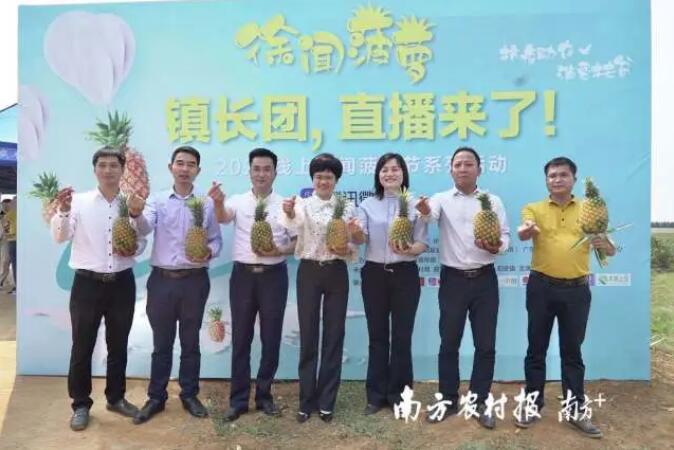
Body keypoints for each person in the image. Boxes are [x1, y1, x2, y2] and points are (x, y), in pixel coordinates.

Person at [515, 157, 614, 438]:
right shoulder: (533, 208)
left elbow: (610, 250)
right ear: (546, 180)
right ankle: (532, 404)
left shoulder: (589, 208)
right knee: (536, 349)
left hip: (577, 291)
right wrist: (526, 230)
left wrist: (604, 242)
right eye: (552, 175)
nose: (557, 179)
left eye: (563, 175)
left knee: (572, 352)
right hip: (541, 288)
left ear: (574, 179)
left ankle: (575, 409)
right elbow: (523, 231)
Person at [416, 146, 510, 429]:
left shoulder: (492, 201)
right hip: (453, 280)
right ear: (451, 170)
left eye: (468, 164)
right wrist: (423, 210)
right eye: (457, 164)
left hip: (485, 279)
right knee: (449, 342)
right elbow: (429, 215)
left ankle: (479, 401)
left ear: (479, 169)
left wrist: (496, 246)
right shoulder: (441, 199)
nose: (463, 168)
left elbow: (505, 237)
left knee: (485, 344)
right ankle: (447, 399)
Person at [51, 148, 144, 431]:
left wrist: (135, 224)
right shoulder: (77, 202)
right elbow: (60, 236)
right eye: (102, 165)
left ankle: (116, 398)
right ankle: (80, 404)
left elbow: (142, 239)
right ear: (95, 170)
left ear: (122, 170)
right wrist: (63, 211)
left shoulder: (132, 201)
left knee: (118, 345)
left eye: (114, 165)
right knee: (82, 346)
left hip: (122, 283)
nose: (108, 170)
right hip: (87, 284)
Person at [132, 145, 222, 424]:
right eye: (180, 163)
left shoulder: (206, 204)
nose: (185, 169)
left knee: (190, 341)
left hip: (195, 280)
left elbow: (216, 239)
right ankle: (156, 397)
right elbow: (145, 227)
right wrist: (135, 213)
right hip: (162, 281)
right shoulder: (157, 200)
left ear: (198, 170)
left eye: (190, 164)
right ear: (171, 167)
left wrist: (209, 252)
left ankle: (189, 394)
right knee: (162, 342)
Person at [211, 148, 296, 422]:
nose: (261, 174)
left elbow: (297, 242)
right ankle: (238, 400)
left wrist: (280, 250)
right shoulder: (238, 201)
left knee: (271, 338)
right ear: (249, 171)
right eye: (256, 169)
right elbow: (223, 217)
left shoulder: (285, 205)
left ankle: (264, 395)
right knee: (241, 338)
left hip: (274, 276)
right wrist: (218, 203)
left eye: (267, 169)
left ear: (275, 173)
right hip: (243, 277)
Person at [279, 153, 364, 423]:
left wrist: (353, 236)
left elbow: (357, 240)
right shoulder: (302, 205)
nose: (324, 181)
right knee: (308, 335)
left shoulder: (347, 206)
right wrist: (289, 211)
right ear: (312, 179)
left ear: (336, 180)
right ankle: (306, 401)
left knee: (334, 335)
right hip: (309, 272)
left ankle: (327, 401)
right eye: (319, 176)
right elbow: (291, 224)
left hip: (336, 271)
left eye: (329, 177)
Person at [357, 153, 428, 415]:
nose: (390, 174)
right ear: (378, 175)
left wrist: (409, 249)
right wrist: (353, 232)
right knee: (377, 336)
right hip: (374, 274)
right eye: (384, 169)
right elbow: (360, 237)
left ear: (403, 173)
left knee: (401, 336)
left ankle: (400, 396)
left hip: (405, 274)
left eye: (395, 169)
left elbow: (422, 243)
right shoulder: (367, 205)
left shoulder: (416, 204)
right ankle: (375, 396)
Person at [5, 196, 16, 294]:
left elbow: (6, 230)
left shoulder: (9, 214)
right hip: (13, 240)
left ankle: (17, 285)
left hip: (12, 241)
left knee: (15, 264)